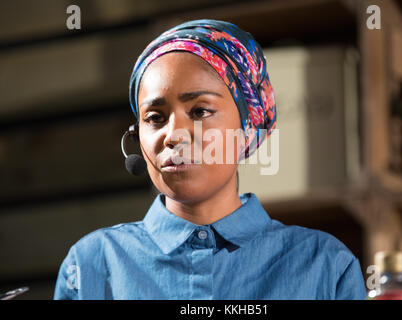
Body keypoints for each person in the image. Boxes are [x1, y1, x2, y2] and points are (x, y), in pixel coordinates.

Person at [53, 19, 367, 300]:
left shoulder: (325, 265)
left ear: (247, 128)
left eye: (201, 111)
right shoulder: (91, 264)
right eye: (155, 117)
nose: (174, 135)